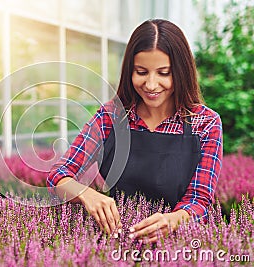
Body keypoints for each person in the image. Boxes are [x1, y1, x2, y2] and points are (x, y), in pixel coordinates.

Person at [47, 19, 223, 243]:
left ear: (181, 73)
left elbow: (199, 201)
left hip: (179, 243)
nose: (151, 84)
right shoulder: (111, 117)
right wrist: (85, 194)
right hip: (118, 238)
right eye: (141, 72)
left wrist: (174, 220)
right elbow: (58, 176)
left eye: (163, 73)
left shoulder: (205, 123)